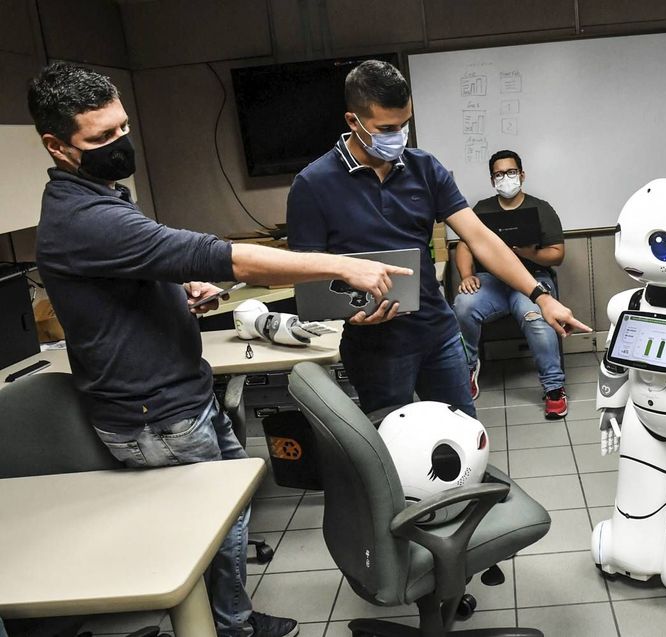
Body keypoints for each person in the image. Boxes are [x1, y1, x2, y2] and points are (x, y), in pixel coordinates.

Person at [28, 62, 411, 637]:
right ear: (58, 147)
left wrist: (174, 291)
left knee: (229, 524)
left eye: (123, 128)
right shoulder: (84, 218)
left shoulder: (103, 195)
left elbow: (129, 279)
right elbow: (223, 255)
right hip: (157, 415)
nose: (120, 145)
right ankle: (229, 629)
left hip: (179, 396)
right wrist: (343, 264)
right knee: (206, 535)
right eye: (101, 138)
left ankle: (234, 621)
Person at [287, 60, 590, 418]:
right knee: (394, 447)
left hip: (438, 334)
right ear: (353, 121)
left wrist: (540, 297)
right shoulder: (313, 184)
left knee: (461, 438)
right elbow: (308, 271)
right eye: (386, 128)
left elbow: (480, 238)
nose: (398, 135)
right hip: (375, 347)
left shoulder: (424, 168)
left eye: (404, 124)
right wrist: (351, 313)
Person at [453, 150, 569, 418]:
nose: (506, 178)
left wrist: (521, 252)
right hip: (491, 282)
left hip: (531, 281)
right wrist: (466, 275)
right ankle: (468, 369)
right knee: (462, 305)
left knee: (535, 317)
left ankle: (554, 388)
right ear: (492, 179)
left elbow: (557, 254)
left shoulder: (541, 208)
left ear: (522, 175)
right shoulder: (481, 209)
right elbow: (464, 246)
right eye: (499, 174)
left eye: (511, 172)